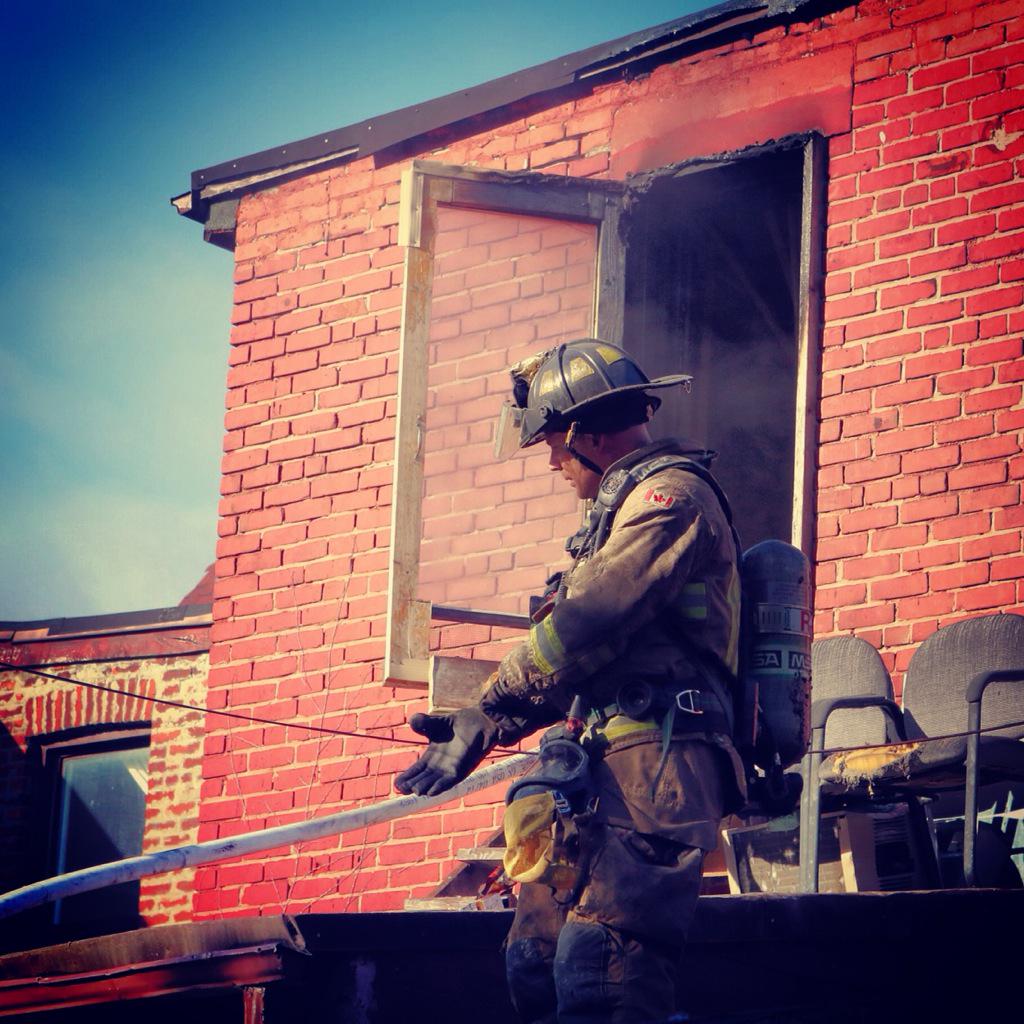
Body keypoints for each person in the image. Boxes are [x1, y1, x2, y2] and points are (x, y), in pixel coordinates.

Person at [396, 339, 746, 1024]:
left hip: (658, 767)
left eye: (555, 443)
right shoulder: (612, 517)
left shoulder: (670, 500)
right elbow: (580, 658)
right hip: (594, 772)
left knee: (602, 977)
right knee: (532, 966)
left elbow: (587, 621)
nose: (553, 462)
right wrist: (486, 724)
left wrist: (490, 705)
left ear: (587, 434)